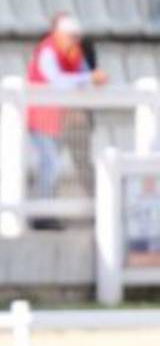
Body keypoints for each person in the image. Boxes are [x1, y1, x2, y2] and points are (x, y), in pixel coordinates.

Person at [26, 13, 107, 228]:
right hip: (41, 117)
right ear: (60, 35)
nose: (74, 40)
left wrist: (89, 80)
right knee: (49, 164)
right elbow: (57, 81)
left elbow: (82, 77)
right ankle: (42, 214)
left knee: (49, 164)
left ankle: (43, 212)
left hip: (57, 120)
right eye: (70, 36)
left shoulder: (72, 52)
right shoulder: (48, 51)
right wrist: (89, 78)